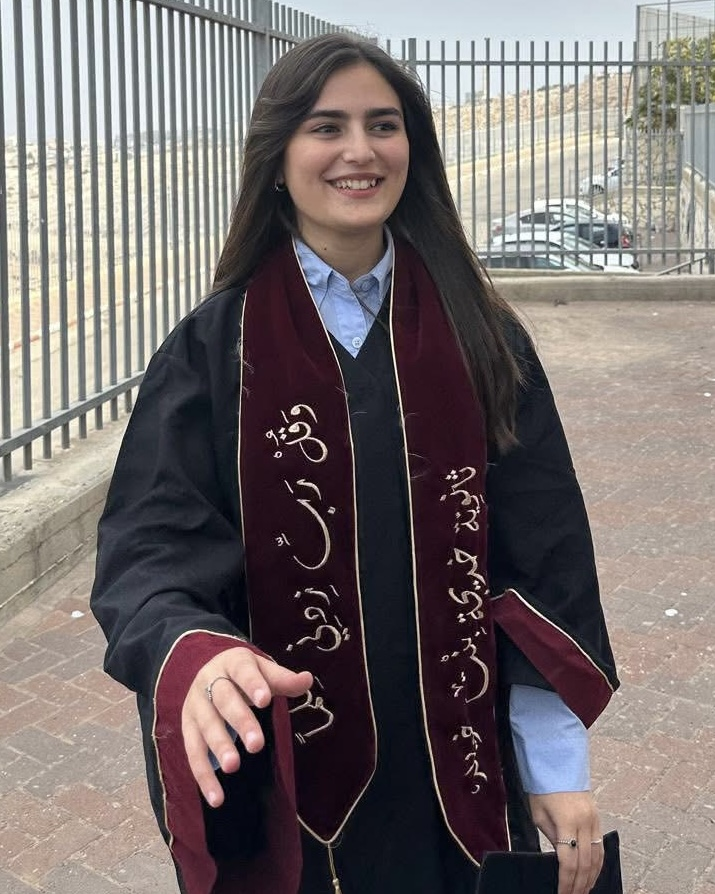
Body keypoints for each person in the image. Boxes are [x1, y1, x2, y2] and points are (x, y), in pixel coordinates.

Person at [90, 32, 619, 894]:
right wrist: (193, 651)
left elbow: (542, 562)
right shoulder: (214, 348)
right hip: (293, 782)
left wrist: (555, 767)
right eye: (325, 127)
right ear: (278, 157)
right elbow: (150, 548)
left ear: (413, 147)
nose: (359, 151)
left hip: (461, 777)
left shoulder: (481, 338)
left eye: (382, 124)